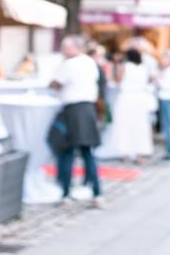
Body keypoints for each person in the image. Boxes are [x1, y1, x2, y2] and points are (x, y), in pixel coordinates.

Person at [50, 35, 102, 204]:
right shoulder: (89, 62)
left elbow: (56, 83)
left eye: (66, 46)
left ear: (75, 48)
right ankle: (96, 191)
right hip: (87, 109)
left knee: (67, 151)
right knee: (87, 152)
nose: (63, 50)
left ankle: (65, 192)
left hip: (73, 110)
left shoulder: (69, 64)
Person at [108, 47, 154, 163]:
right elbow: (149, 80)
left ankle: (126, 153)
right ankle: (140, 154)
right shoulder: (143, 68)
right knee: (141, 126)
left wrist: (116, 66)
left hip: (126, 98)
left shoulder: (125, 67)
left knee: (124, 125)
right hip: (140, 98)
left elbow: (117, 80)